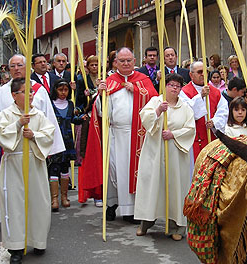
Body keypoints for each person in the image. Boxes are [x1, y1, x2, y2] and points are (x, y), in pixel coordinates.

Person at [0, 77, 55, 264]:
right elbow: (1, 135)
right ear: (14, 95)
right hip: (14, 163)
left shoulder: (38, 115)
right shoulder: (6, 114)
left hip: (34, 162)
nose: (30, 95)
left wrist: (34, 135)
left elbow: (49, 133)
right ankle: (16, 247)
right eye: (25, 92)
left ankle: (38, 241)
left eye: (31, 92)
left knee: (38, 202)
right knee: (15, 204)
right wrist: (19, 124)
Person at [0, 54, 66, 199]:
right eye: (12, 66)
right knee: (15, 195)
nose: (16, 69)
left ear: (27, 67)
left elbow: (49, 120)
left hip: (35, 149)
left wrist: (50, 147)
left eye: (20, 65)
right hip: (13, 151)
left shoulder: (38, 89)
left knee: (35, 193)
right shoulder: (1, 92)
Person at [95, 47, 158, 222]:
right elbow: (101, 112)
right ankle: (112, 204)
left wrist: (137, 91)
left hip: (138, 134)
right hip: (117, 134)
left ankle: (132, 210)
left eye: (128, 60)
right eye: (121, 60)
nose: (125, 63)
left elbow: (154, 100)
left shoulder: (143, 79)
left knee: (136, 171)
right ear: (116, 62)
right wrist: (101, 95)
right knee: (116, 170)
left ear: (135, 61)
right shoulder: (110, 81)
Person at [134, 73, 195, 240]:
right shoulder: (156, 101)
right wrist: (158, 111)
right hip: (155, 151)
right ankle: (146, 222)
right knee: (152, 185)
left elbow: (191, 129)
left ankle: (178, 227)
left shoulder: (185, 107)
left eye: (177, 86)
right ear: (165, 86)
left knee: (175, 187)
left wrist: (174, 134)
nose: (174, 88)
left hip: (175, 154)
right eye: (171, 85)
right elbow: (145, 118)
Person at [48, 80, 83, 211]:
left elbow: (72, 119)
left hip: (67, 140)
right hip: (55, 140)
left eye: (66, 90)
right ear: (55, 90)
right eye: (60, 90)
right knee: (54, 168)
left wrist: (81, 118)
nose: (63, 93)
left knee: (65, 169)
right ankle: (54, 198)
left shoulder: (70, 104)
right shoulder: (50, 104)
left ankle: (64, 197)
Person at [182, 61, 228, 159]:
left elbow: (223, 111)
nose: (203, 74)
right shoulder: (184, 92)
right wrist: (200, 96)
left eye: (205, 71)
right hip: (193, 139)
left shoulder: (216, 92)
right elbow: (186, 112)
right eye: (199, 72)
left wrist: (214, 122)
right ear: (191, 75)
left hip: (211, 136)